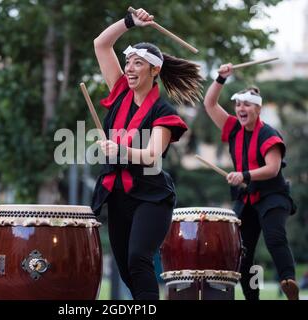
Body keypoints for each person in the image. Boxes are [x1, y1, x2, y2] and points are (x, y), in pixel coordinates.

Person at [91, 8, 203, 299]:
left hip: (152, 196)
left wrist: (120, 149)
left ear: (154, 70)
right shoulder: (119, 92)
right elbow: (101, 44)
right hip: (118, 194)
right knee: (128, 271)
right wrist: (130, 23)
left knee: (139, 259)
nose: (128, 68)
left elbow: (152, 155)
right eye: (128, 62)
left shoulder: (162, 111)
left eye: (137, 63)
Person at [203, 63, 299, 300]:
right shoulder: (233, 128)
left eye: (246, 104)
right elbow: (209, 104)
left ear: (258, 108)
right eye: (237, 104)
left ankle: (289, 281)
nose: (240, 108)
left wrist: (244, 175)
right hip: (246, 199)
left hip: (273, 196)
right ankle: (252, 297)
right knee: (243, 254)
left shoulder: (269, 134)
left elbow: (273, 168)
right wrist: (220, 78)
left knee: (274, 236)